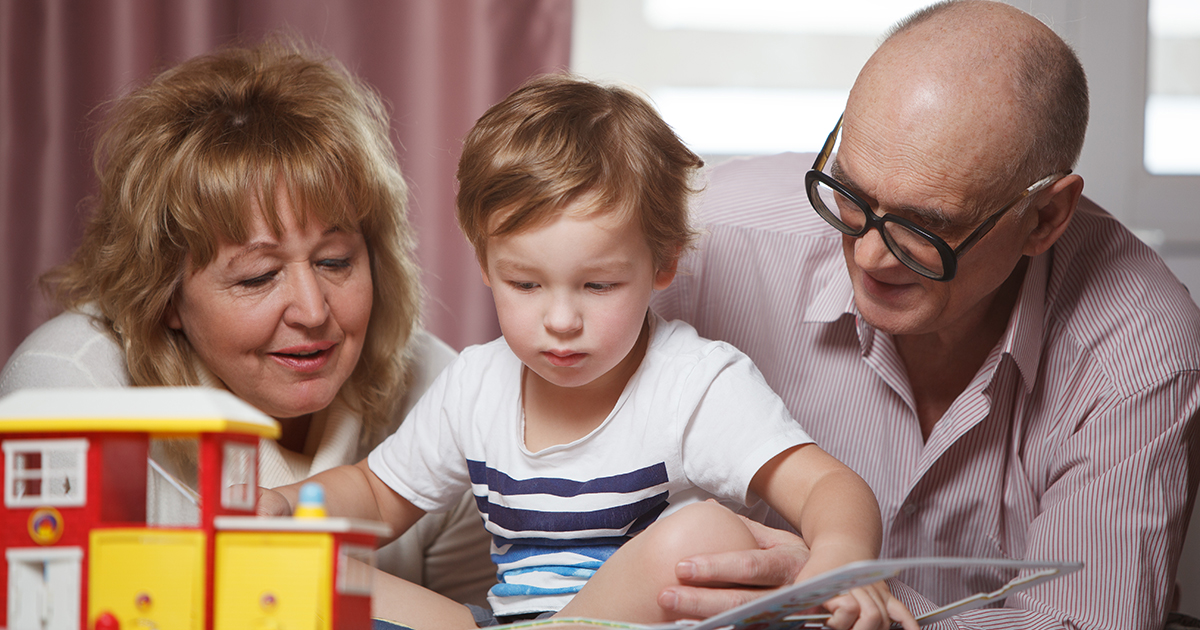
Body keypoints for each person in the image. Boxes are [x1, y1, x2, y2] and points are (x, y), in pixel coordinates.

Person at [258, 74, 917, 630]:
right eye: (525, 284)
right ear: (485, 263)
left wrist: (840, 559)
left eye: (598, 285)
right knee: (310, 572)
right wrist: (288, 510)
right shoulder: (477, 383)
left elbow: (831, 486)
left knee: (704, 536)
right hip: (509, 622)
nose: (562, 321)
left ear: (663, 265)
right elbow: (374, 495)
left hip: (629, 618)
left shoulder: (693, 383)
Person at [648, 1, 1200, 629]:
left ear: (1044, 218)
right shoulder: (701, 244)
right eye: (851, 194)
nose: (870, 253)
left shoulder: (1142, 345)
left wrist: (847, 600)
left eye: (925, 225)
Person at [0, 38, 494, 608]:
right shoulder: (66, 393)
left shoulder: (440, 390)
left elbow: (486, 618)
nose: (313, 312)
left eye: (336, 262)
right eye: (258, 277)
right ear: (164, 295)